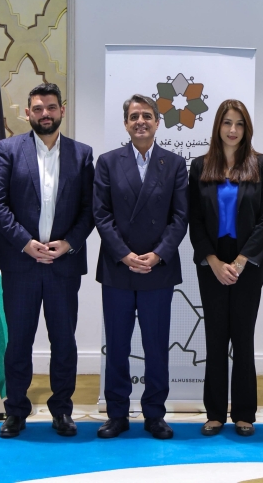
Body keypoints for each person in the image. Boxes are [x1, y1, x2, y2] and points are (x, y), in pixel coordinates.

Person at [0, 83, 95, 439]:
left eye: (50, 107)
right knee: (18, 341)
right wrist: (25, 243)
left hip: (63, 265)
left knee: (64, 341)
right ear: (27, 113)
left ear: (62, 110)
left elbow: (89, 209)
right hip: (21, 264)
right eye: (37, 108)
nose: (44, 114)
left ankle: (62, 410)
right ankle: (15, 411)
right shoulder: (8, 150)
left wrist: (68, 244)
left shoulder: (82, 154)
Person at [93, 94, 188, 440]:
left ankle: (155, 414)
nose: (140, 122)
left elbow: (180, 216)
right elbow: (101, 213)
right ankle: (117, 413)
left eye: (147, 116)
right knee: (117, 346)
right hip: (118, 268)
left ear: (157, 122)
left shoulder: (174, 163)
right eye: (134, 117)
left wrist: (158, 254)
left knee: (156, 345)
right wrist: (124, 254)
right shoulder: (108, 162)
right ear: (125, 124)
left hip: (157, 269)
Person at [188, 99, 263, 437]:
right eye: (227, 123)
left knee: (243, 338)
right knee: (214, 337)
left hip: (247, 264)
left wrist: (239, 262)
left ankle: (243, 413)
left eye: (239, 124)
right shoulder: (200, 166)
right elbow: (195, 220)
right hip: (211, 263)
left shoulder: (261, 164)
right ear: (218, 127)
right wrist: (212, 261)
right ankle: (214, 413)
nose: (233, 130)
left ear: (246, 128)